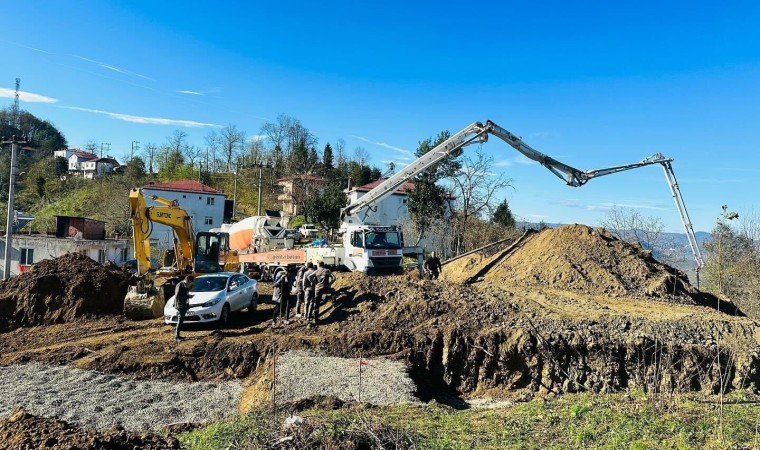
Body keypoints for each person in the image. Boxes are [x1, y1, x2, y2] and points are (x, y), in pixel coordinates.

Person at [174, 275, 194, 341]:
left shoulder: (185, 285)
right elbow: (178, 296)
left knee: (181, 320)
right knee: (180, 320)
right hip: (180, 305)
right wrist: (186, 296)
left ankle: (178, 335)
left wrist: (188, 296)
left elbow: (184, 294)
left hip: (184, 305)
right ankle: (176, 336)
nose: (190, 284)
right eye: (190, 282)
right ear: (188, 281)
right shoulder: (180, 285)